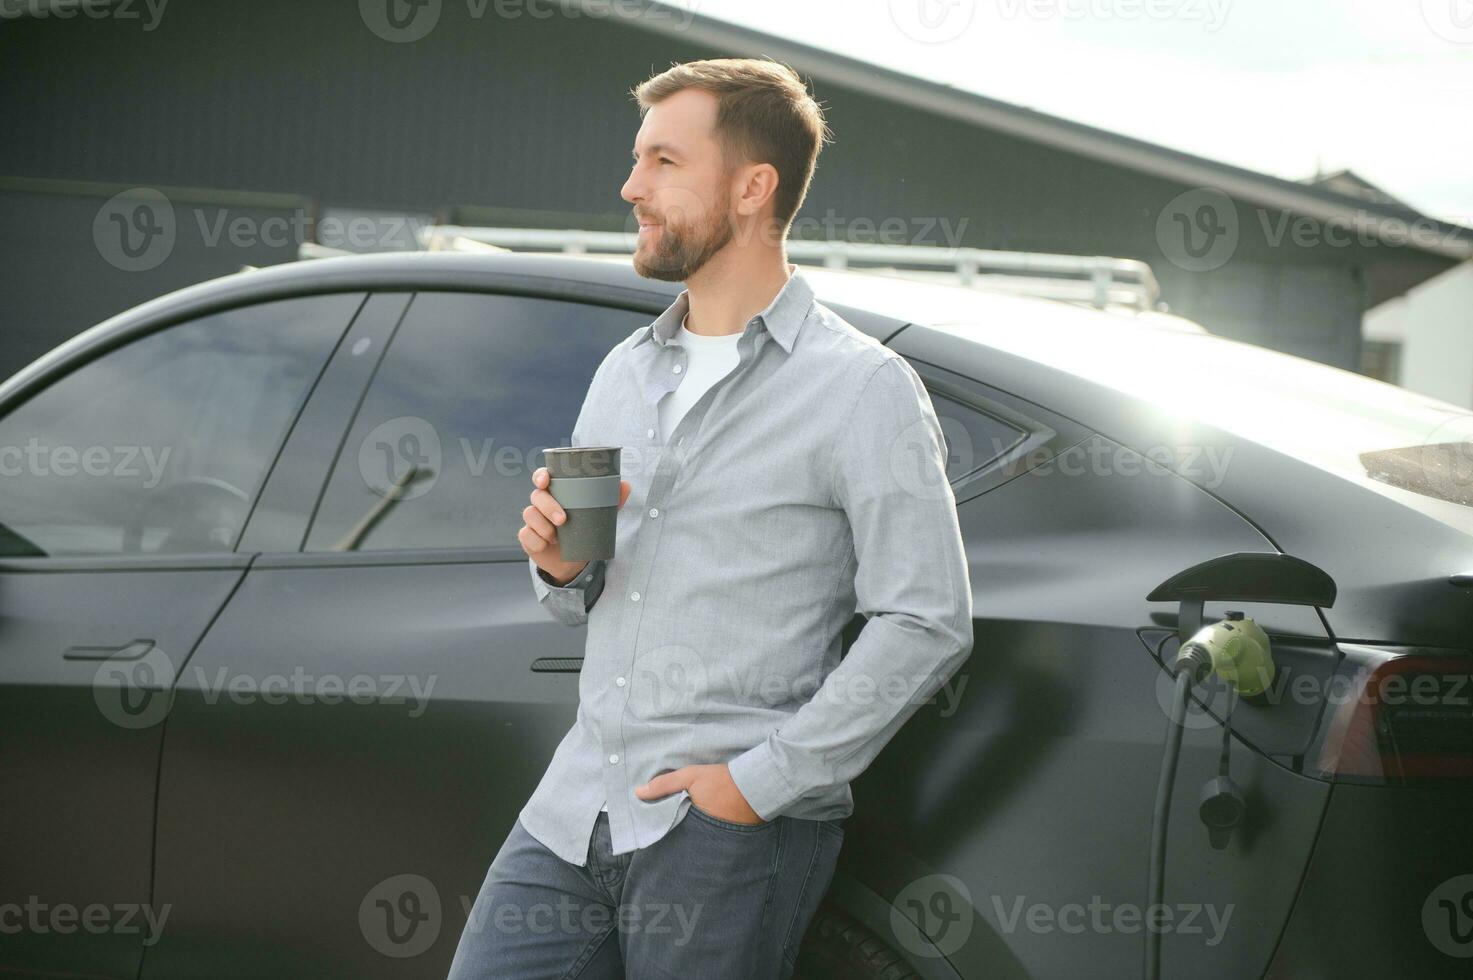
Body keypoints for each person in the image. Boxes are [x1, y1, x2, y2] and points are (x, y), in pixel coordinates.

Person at [447, 56, 973, 980]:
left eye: (662, 162)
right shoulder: (625, 370)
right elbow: (580, 593)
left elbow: (926, 621)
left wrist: (753, 787)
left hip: (722, 837)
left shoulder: (862, 390)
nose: (630, 187)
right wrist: (562, 568)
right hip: (577, 803)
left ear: (751, 187)